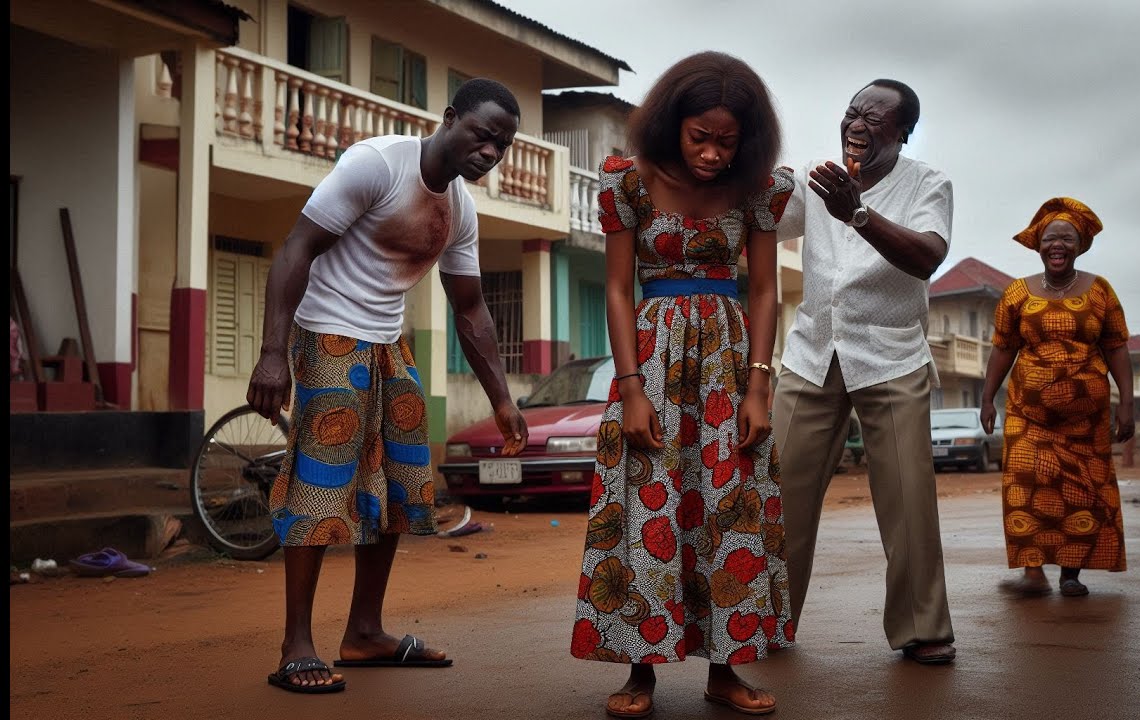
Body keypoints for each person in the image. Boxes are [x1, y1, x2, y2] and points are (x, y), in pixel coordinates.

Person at [247, 78, 530, 693]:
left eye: (502, 145)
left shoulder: (461, 209)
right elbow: (296, 249)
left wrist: (502, 399)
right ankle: (297, 644)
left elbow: (472, 309)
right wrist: (273, 354)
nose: (490, 152)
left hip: (388, 341)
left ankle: (364, 632)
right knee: (323, 481)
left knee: (404, 478)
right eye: (483, 135)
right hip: (326, 332)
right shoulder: (376, 164)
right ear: (450, 118)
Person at [570, 51, 795, 718]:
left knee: (732, 510)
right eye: (700, 137)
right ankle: (639, 671)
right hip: (652, 361)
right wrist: (631, 387)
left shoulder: (756, 189)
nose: (712, 154)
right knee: (646, 509)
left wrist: (758, 387)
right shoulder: (629, 184)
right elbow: (615, 288)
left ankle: (727, 670)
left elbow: (763, 290)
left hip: (728, 364)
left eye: (727, 142)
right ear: (673, 124)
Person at [773, 79, 957, 665]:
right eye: (852, 112)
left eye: (874, 116)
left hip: (891, 354)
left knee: (907, 497)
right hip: (812, 352)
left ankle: (922, 628)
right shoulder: (816, 177)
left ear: (902, 131)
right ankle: (766, 618)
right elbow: (760, 218)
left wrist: (858, 213)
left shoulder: (928, 183)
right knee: (779, 494)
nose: (857, 122)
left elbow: (927, 256)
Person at [980, 197, 1134, 598]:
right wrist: (986, 399)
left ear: (1080, 245)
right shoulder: (1017, 293)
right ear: (1038, 244)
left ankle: (1070, 572)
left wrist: (1128, 404)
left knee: (1080, 491)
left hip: (1087, 422)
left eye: (1067, 238)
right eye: (1050, 238)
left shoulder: (1100, 292)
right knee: (1026, 483)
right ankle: (1033, 572)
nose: (1058, 245)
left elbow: (1117, 347)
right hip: (1027, 414)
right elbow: (1002, 347)